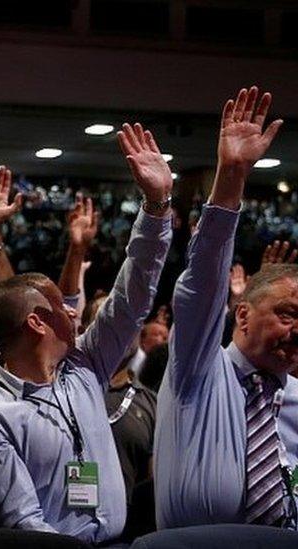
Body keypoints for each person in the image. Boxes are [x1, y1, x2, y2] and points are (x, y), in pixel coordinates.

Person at [0, 122, 174, 545]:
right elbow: (20, 517)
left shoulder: (83, 364)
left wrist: (155, 207)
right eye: (61, 305)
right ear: (37, 323)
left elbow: (133, 294)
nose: (73, 312)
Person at [155, 86, 294, 529]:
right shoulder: (197, 371)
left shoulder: (292, 397)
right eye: (288, 314)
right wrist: (231, 176)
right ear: (243, 314)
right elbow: (200, 289)